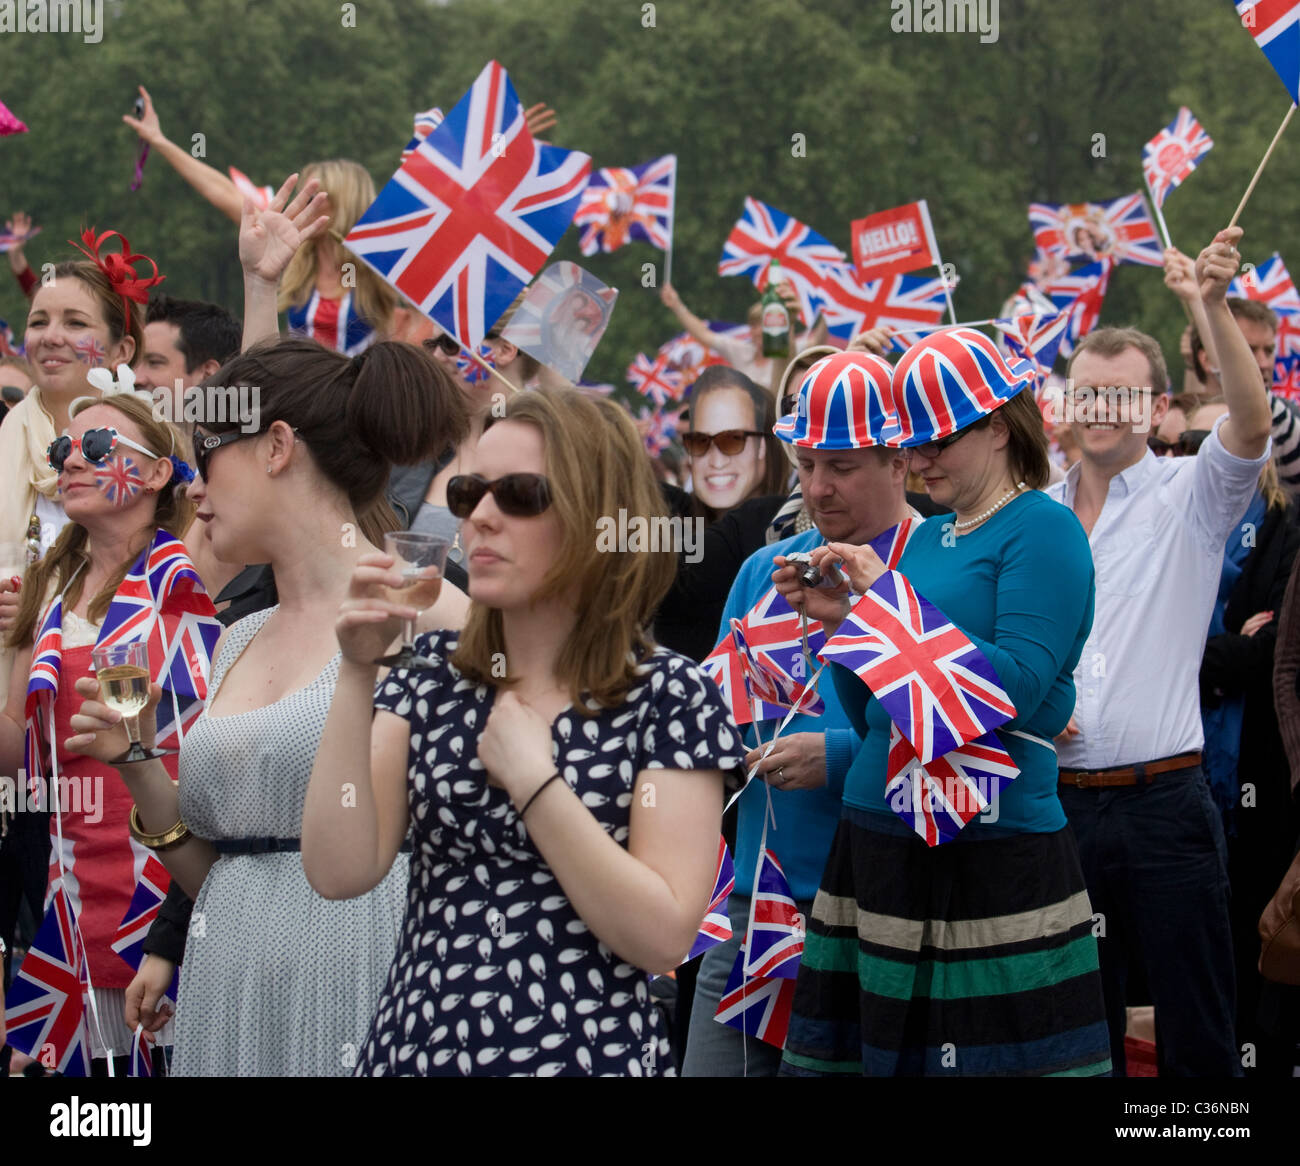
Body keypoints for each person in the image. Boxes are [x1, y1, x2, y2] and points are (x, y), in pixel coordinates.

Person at [301, 387, 745, 1076]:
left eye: (521, 495)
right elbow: (338, 871)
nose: (480, 516)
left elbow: (661, 938)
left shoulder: (668, 697)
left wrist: (537, 785)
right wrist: (357, 674)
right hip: (420, 1047)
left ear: (596, 516)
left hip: (586, 1054)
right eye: (470, 492)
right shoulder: (428, 681)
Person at [62, 333, 471, 1076]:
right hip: (228, 991)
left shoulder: (426, 607)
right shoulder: (237, 635)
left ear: (276, 446)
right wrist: (139, 764)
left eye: (207, 457)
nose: (193, 489)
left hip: (364, 984)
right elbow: (221, 873)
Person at [778, 328, 1110, 1077]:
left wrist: (887, 611)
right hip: (877, 840)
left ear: (998, 425)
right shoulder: (924, 544)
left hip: (993, 850)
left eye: (937, 442)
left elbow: (1015, 688)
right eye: (912, 442)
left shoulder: (1044, 527)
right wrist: (845, 622)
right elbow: (873, 714)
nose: (920, 460)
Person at [1049, 228, 1273, 1077]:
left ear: (1153, 410)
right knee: (1080, 1029)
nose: (1102, 411)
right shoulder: (1037, 514)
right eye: (1088, 395)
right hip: (1061, 806)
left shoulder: (1192, 495)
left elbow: (1251, 422)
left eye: (1121, 397)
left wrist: (1209, 306)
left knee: (1196, 1031)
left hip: (1167, 804)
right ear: (1067, 408)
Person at [682, 350, 926, 1076]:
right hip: (750, 910)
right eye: (807, 461)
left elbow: (963, 740)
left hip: (870, 918)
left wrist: (839, 756)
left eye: (843, 466)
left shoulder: (935, 567)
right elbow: (709, 723)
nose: (818, 487)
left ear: (899, 460)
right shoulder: (765, 569)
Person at [1, 390, 207, 1075]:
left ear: (154, 474)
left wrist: (261, 290)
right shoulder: (48, 593)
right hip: (75, 908)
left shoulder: (196, 561)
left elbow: (259, 418)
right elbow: (22, 762)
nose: (72, 461)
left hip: (173, 894)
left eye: (96, 449)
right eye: (63, 451)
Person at [0, 230, 161, 711]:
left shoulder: (151, 452)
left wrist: (38, 608)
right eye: (39, 321)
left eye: (75, 323)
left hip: (118, 698)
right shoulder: (6, 441)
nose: (50, 336)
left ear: (121, 350)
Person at [1189, 400, 1300, 1076]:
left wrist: (1202, 651)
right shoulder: (1172, 525)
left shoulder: (1284, 525)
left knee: (1269, 939)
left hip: (1266, 767)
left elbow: (1275, 662)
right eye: (1199, 438)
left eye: (1224, 436)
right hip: (1185, 770)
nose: (1209, 449)